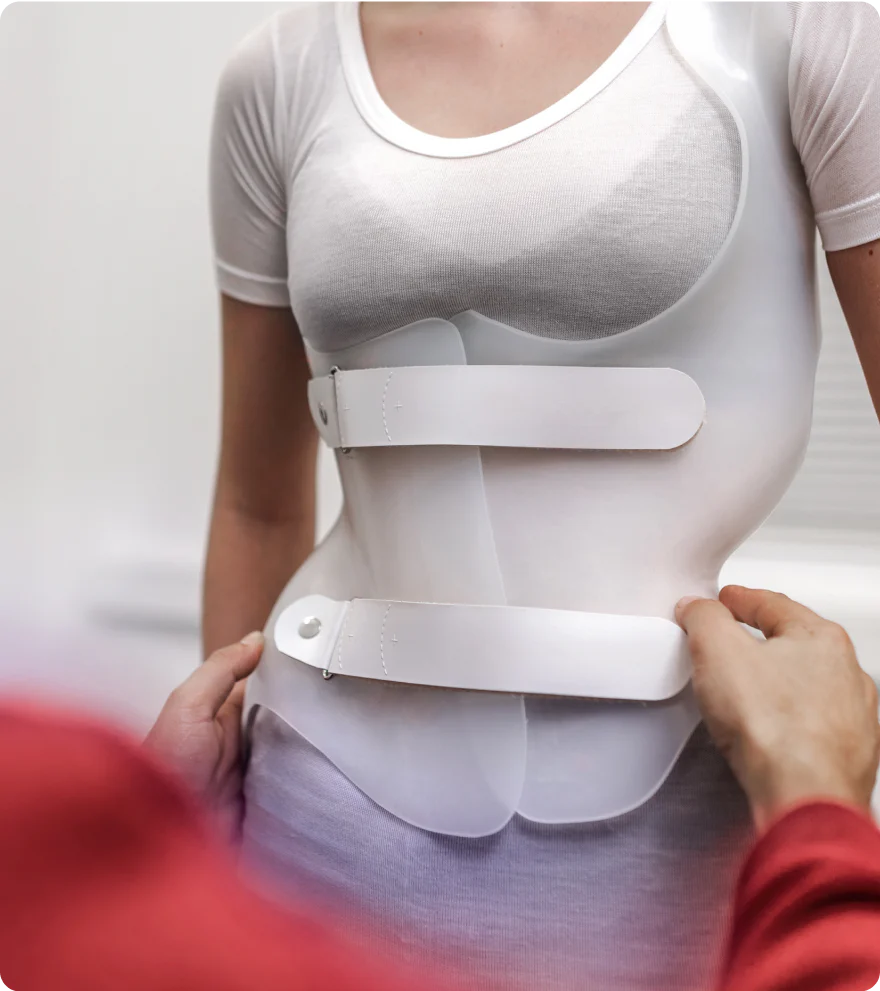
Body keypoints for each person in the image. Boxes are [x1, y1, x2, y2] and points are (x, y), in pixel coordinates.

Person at [205, 1, 880, 987]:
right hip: (307, 801)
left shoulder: (808, 24)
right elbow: (256, 504)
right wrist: (188, 836)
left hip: (669, 836)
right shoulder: (278, 72)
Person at [0, 585, 877, 991]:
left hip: (665, 817)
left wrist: (157, 844)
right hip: (311, 795)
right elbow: (257, 498)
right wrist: (818, 805)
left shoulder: (49, 827)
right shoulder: (49, 819)